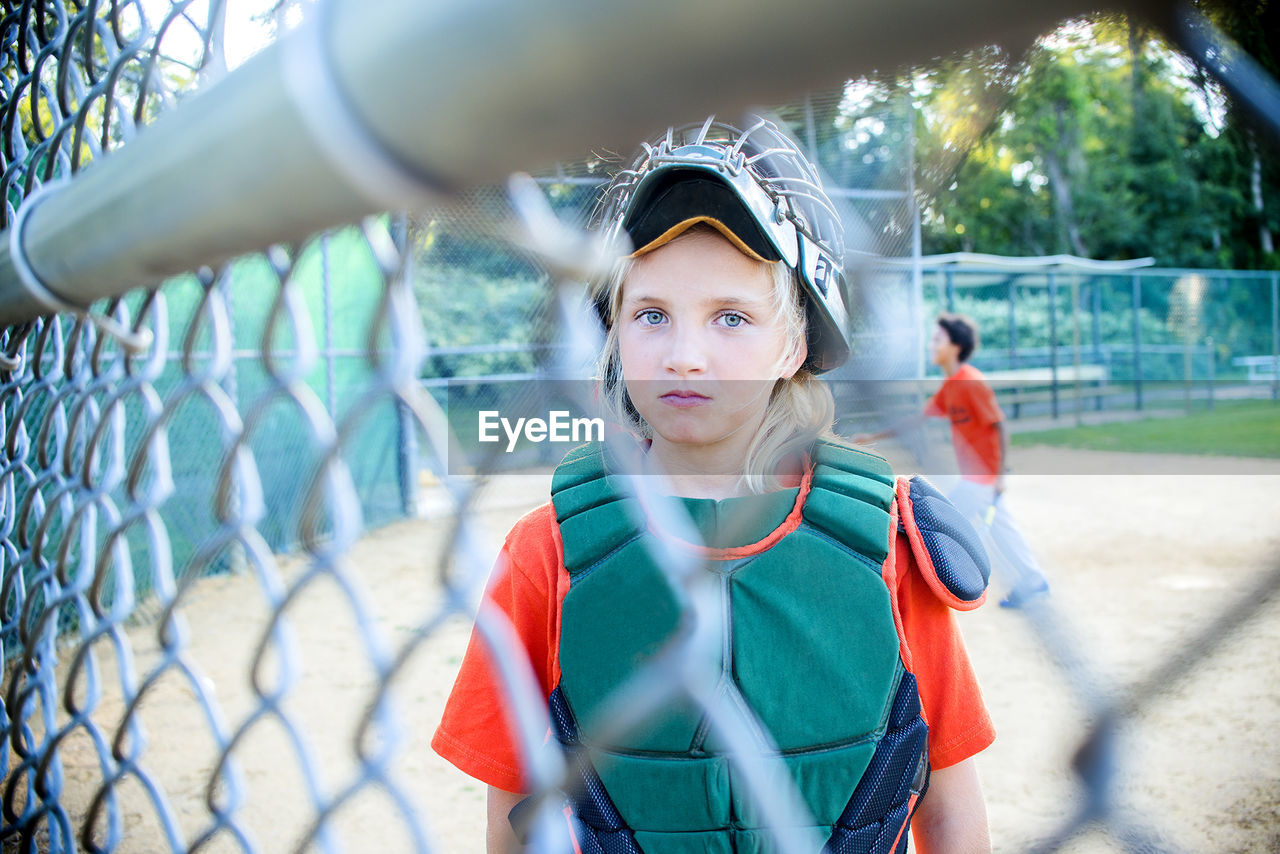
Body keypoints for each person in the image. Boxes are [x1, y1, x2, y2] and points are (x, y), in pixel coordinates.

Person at [433, 117, 995, 854]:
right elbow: (512, 814)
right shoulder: (547, 552)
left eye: (730, 317)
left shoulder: (885, 541)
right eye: (651, 315)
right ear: (616, 336)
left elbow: (948, 798)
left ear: (793, 344)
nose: (685, 356)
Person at [856, 313, 1050, 608]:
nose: (931, 345)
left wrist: (999, 476)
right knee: (1000, 528)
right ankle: (1032, 579)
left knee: (947, 519)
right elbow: (919, 419)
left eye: (937, 340)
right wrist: (874, 435)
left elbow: (999, 426)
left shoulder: (970, 382)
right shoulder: (953, 385)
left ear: (955, 347)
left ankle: (934, 583)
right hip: (976, 477)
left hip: (982, 478)